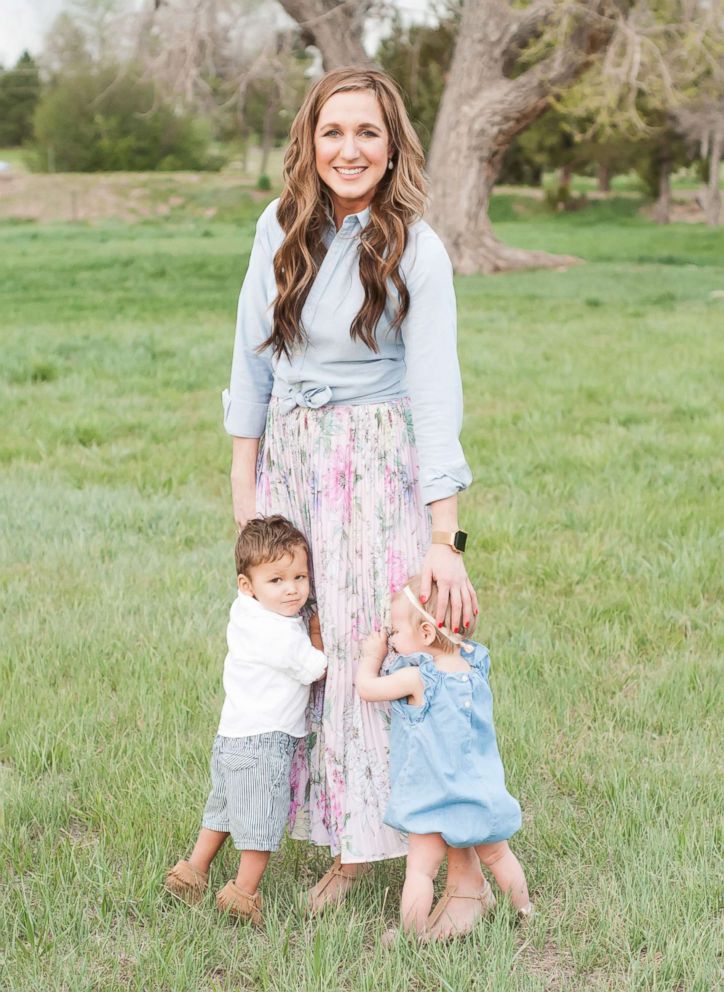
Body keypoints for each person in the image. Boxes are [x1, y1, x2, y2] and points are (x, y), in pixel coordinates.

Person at [223, 66, 482, 924]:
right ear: (310, 140)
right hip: (292, 463)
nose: (349, 149)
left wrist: (446, 538)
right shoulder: (278, 227)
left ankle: (386, 842)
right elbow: (250, 369)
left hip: (375, 465)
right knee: (305, 646)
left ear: (392, 143)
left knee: (373, 650)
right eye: (334, 132)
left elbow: (436, 392)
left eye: (367, 132)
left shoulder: (418, 247)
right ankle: (331, 834)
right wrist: (246, 508)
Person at [164, 516, 326, 923]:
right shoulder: (282, 634)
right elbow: (313, 668)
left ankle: (193, 871)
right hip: (264, 741)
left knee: (222, 808)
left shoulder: (245, 612)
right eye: (277, 580)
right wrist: (318, 632)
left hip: (232, 736)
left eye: (300, 576)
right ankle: (242, 893)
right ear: (247, 585)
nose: (292, 589)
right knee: (261, 820)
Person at [356, 575, 533, 941]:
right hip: (478, 795)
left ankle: (410, 934)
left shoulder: (418, 678)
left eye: (395, 630)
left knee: (420, 872)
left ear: (424, 633)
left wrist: (372, 656)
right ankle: (525, 910)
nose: (391, 638)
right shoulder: (475, 667)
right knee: (499, 857)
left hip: (432, 798)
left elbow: (367, 689)